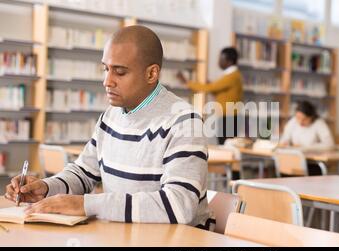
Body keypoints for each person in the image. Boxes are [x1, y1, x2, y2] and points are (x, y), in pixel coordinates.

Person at [4, 25, 213, 229]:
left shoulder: (185, 122)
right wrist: (48, 187)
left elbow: (179, 206)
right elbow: (84, 173)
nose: (107, 81)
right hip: (124, 235)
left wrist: (87, 205)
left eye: (120, 72)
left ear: (151, 74)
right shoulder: (110, 116)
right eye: (106, 69)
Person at [177, 47, 243, 145]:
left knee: (226, 146)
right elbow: (219, 91)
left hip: (229, 118)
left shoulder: (232, 76)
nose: (219, 61)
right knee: (224, 145)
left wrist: (187, 82)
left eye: (221, 59)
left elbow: (210, 88)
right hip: (228, 117)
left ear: (229, 61)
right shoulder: (232, 75)